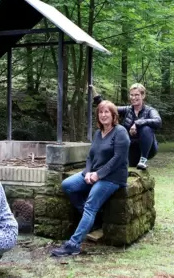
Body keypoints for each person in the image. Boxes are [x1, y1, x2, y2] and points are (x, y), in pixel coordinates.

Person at [51, 100, 130, 257]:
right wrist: (87, 172)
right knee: (67, 185)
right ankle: (93, 220)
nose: (103, 115)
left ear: (114, 115)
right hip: (93, 174)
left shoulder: (120, 132)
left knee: (90, 205)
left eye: (107, 112)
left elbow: (118, 159)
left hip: (113, 178)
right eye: (100, 112)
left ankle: (73, 245)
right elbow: (90, 157)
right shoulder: (97, 133)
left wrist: (98, 175)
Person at [92, 83, 162, 170]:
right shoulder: (127, 110)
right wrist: (96, 96)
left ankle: (143, 160)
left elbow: (158, 121)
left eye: (137, 95)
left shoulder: (150, 110)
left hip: (148, 149)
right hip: (130, 148)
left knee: (146, 128)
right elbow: (109, 108)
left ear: (143, 96)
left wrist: (137, 123)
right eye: (132, 95)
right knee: (124, 169)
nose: (133, 97)